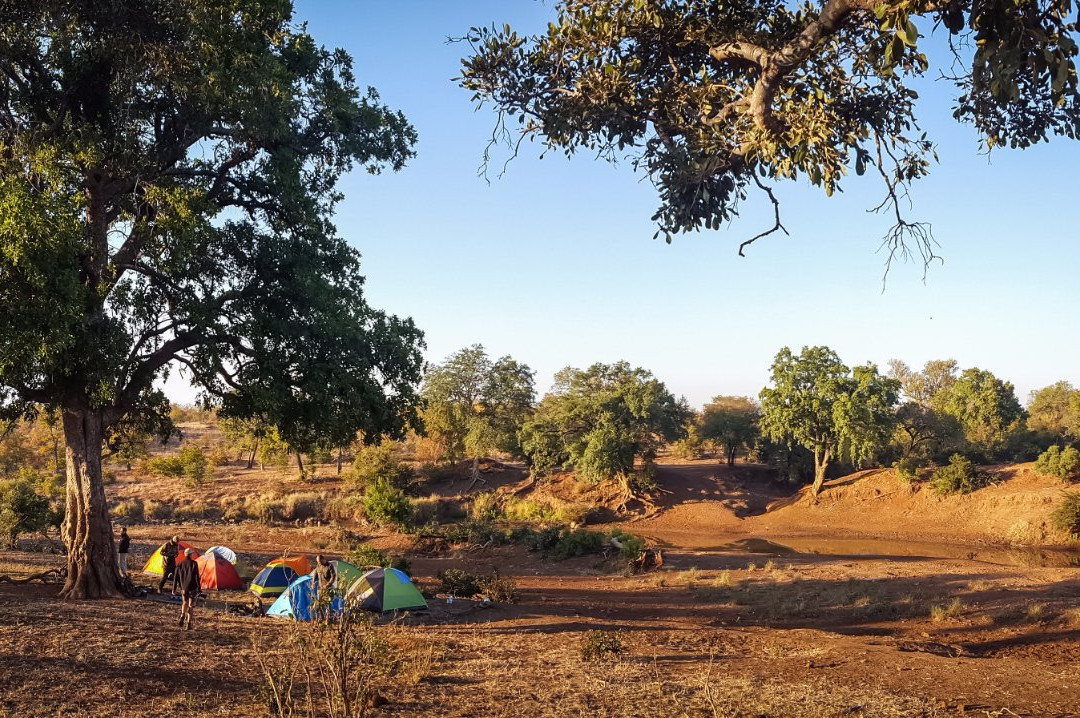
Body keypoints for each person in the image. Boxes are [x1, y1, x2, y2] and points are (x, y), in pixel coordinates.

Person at [172, 547, 201, 630]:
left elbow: (175, 577)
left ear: (185, 554)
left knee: (184, 602)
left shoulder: (180, 564)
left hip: (184, 588)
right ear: (191, 555)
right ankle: (189, 624)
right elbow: (196, 577)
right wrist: (199, 588)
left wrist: (174, 588)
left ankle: (182, 614)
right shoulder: (194, 564)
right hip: (193, 588)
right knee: (191, 606)